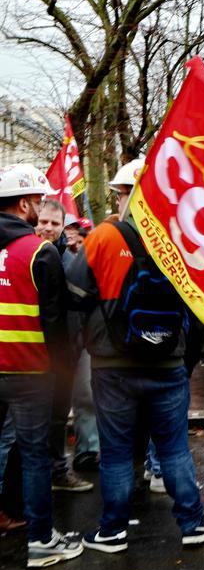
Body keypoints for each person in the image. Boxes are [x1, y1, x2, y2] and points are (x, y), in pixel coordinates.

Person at [66, 158, 204, 552]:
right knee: (173, 447)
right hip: (168, 364)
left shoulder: (102, 237)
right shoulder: (181, 242)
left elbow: (75, 300)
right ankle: (193, 523)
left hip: (111, 365)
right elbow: (200, 310)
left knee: (116, 450)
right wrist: (185, 359)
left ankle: (113, 530)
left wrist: (84, 346)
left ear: (123, 196)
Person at [0, 163, 83, 568]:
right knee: (34, 455)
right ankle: (41, 540)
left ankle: (8, 514)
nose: (40, 208)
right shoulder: (39, 252)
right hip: (31, 373)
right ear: (24, 204)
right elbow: (54, 321)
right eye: (37, 201)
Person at [34, 198, 95, 493]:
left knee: (58, 416)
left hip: (65, 352)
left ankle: (57, 472)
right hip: (31, 354)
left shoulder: (66, 256)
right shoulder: (27, 255)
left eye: (54, 224)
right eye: (43, 221)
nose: (48, 228)